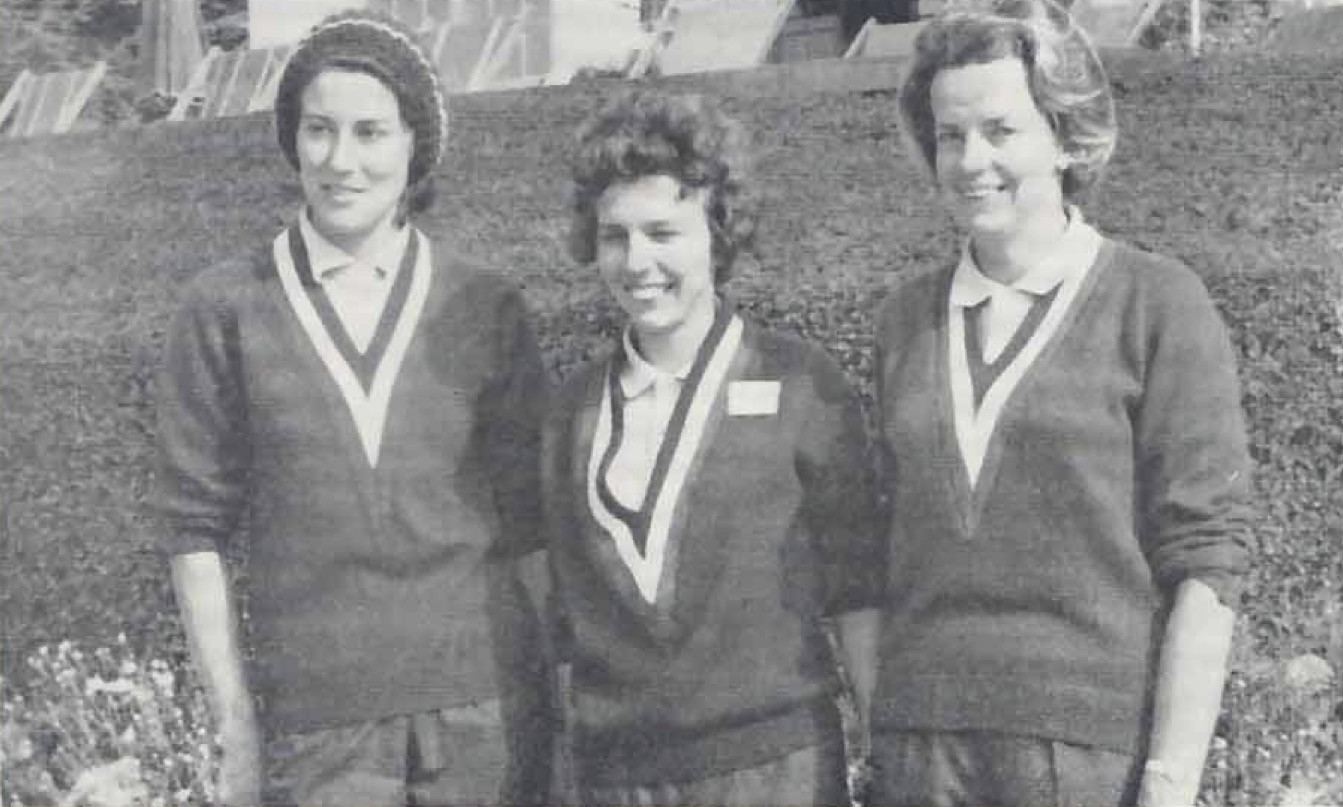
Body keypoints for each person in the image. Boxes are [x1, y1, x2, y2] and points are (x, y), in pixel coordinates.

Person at [153, 11, 551, 805]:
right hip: (319, 729)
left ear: (414, 144)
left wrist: (558, 698)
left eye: (371, 132)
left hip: (485, 718)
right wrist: (234, 723)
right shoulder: (224, 307)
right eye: (319, 130)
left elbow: (532, 524)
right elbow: (193, 530)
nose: (342, 161)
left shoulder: (484, 302)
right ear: (292, 140)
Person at [869, 1, 1253, 804]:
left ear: (1063, 134)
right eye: (949, 134)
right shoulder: (905, 318)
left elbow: (1207, 559)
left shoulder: (1157, 303)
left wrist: (1169, 779)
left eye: (1001, 130)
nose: (971, 160)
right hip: (922, 753)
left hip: (1083, 756)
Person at [540, 90, 884, 806]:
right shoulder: (570, 413)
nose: (638, 262)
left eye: (664, 232)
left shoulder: (799, 384)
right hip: (618, 777)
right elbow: (564, 629)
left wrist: (886, 752)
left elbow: (859, 595)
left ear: (717, 233)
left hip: (774, 770)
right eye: (615, 235)